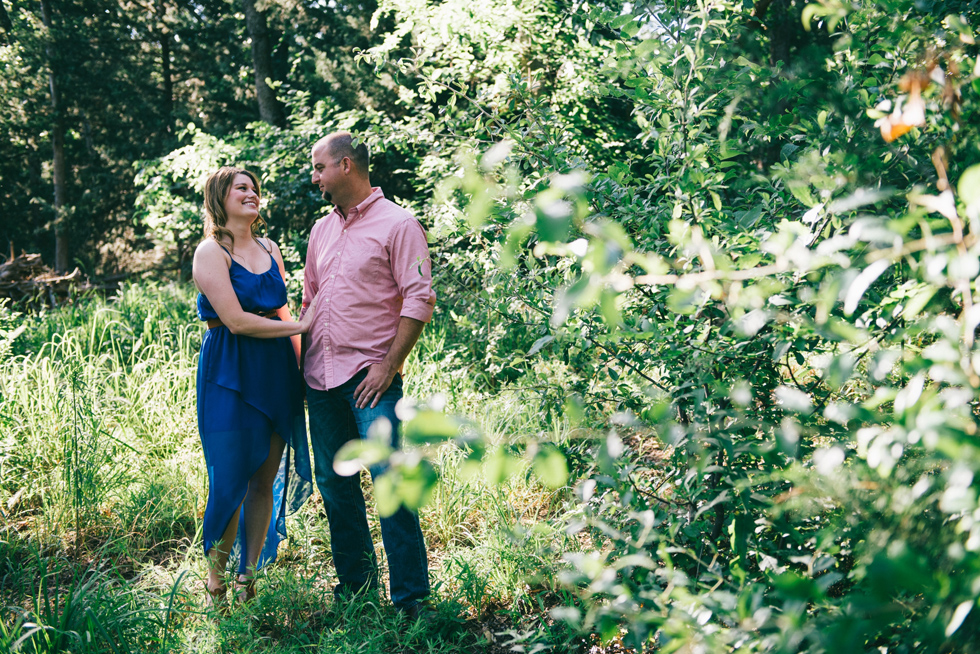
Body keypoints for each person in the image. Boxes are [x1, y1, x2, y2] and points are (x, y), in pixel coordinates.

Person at [301, 132, 436, 616]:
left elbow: (420, 299)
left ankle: (412, 602)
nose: (313, 177)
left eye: (318, 168)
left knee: (389, 483)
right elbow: (309, 302)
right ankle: (356, 593)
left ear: (345, 166)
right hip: (319, 379)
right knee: (335, 488)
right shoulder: (320, 231)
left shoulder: (399, 224)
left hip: (369, 380)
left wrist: (389, 365)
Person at [192, 166, 317, 610]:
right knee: (230, 480)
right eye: (240, 187)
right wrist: (306, 324)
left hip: (276, 369)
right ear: (219, 197)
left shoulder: (270, 248)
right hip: (230, 370)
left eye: (254, 188)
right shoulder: (211, 253)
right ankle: (215, 582)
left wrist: (304, 365)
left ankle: (248, 578)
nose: (251, 193)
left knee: (264, 479)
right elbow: (236, 320)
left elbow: (281, 313)